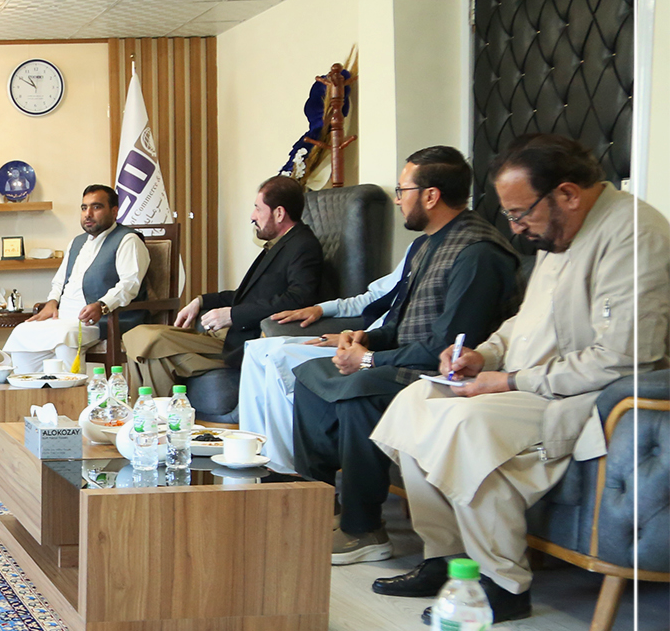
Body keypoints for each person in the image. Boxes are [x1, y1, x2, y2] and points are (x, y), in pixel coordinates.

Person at [370, 134, 670, 623]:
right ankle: (446, 558)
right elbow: (525, 323)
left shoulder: (633, 235)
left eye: (519, 213)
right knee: (416, 401)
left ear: (567, 194)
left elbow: (622, 359)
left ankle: (504, 584)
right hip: (527, 384)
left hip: (581, 396)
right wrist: (482, 355)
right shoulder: (558, 230)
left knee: (464, 424)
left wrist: (507, 382)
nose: (515, 227)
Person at [289, 147, 520, 565]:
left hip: (444, 377)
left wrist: (367, 361)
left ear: (430, 195)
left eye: (402, 190)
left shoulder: (478, 253)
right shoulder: (424, 246)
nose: (397, 200)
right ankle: (317, 505)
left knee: (360, 390)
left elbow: (448, 347)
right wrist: (364, 338)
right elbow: (399, 323)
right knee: (309, 374)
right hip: (402, 364)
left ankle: (364, 529)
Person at [122, 175, 324, 400]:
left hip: (245, 340)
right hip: (229, 335)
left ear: (279, 213)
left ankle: (149, 416)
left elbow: (298, 300)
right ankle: (152, 418)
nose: (252, 216)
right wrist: (201, 301)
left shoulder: (303, 246)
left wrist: (233, 315)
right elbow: (245, 295)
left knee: (152, 340)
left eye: (258, 208)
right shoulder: (279, 245)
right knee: (146, 346)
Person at [238, 266, 401, 473]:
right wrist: (320, 310)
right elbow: (374, 296)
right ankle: (249, 459)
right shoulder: (416, 252)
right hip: (364, 336)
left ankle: (283, 469)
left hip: (375, 347)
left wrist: (358, 338)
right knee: (255, 349)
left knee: (279, 356)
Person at [10, 184, 150, 372]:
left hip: (102, 319)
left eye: (96, 207)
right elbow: (60, 281)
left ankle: (71, 389)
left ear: (114, 211)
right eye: (84, 208)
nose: (88, 214)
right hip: (64, 317)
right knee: (22, 332)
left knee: (65, 336)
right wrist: (52, 302)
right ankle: (33, 388)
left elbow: (129, 284)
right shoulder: (77, 242)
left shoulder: (128, 240)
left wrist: (102, 306)